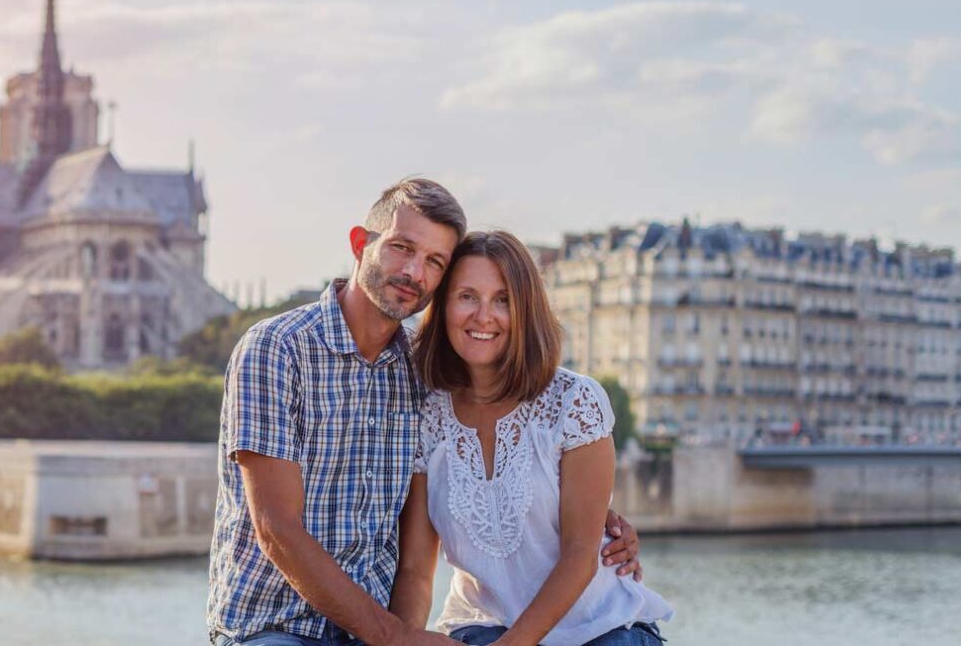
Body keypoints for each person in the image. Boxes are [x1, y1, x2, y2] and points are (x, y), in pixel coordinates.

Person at [207, 178, 643, 646]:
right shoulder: (275, 350)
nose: (414, 271)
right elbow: (276, 529)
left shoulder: (421, 373)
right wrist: (394, 637)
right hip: (277, 626)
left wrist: (591, 508)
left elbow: (507, 469)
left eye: (434, 261)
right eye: (401, 248)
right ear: (360, 244)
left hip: (376, 629)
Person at [389, 232, 673, 646]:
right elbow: (416, 569)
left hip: (600, 629)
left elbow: (580, 558)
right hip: (481, 626)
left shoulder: (574, 401)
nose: (484, 316)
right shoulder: (426, 416)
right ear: (444, 307)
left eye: (503, 300)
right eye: (467, 296)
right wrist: (405, 639)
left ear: (526, 310)